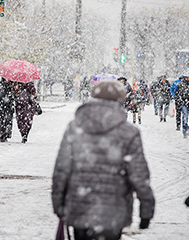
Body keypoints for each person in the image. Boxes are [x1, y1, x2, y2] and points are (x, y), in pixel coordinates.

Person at [51, 81, 155, 240]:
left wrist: (58, 203)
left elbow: (62, 169)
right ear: (120, 100)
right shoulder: (129, 133)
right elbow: (139, 175)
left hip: (80, 208)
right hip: (113, 212)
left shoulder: (75, 128)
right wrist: (146, 211)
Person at [0, 77, 15, 142]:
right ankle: (1, 135)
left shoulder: (12, 85)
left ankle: (6, 135)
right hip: (1, 106)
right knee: (1, 121)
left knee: (8, 121)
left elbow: (14, 96)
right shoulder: (0, 84)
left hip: (9, 106)